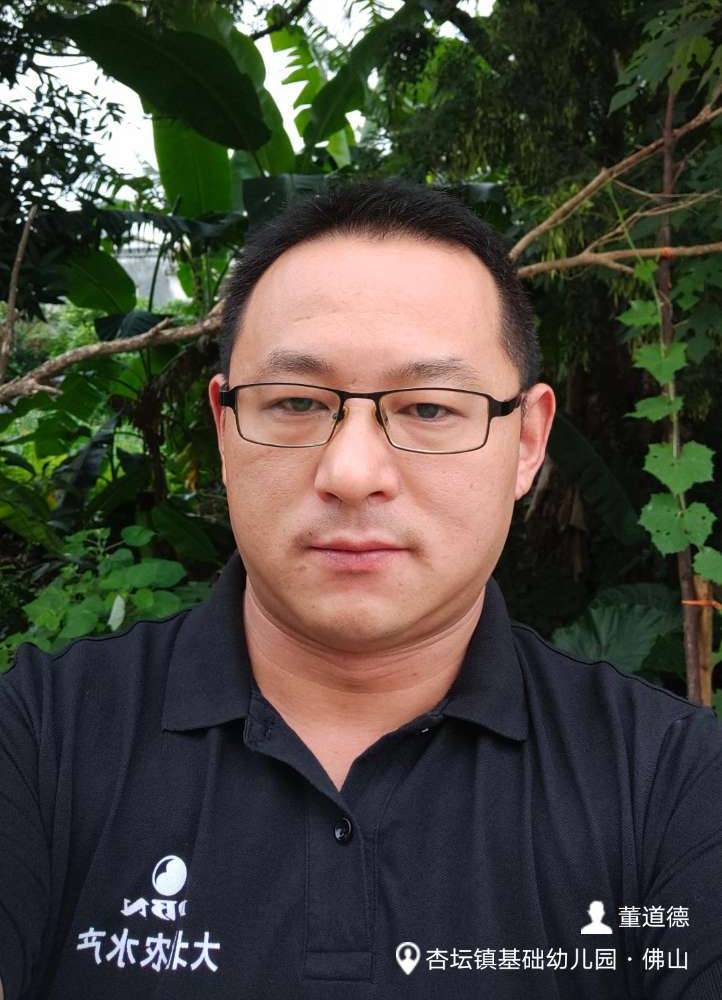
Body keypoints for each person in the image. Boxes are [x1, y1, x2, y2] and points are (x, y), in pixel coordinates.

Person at [1, 177, 721, 1000]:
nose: (351, 472)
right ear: (225, 428)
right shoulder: (40, 740)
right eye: (296, 402)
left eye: (429, 409)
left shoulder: (670, 785)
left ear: (526, 441)